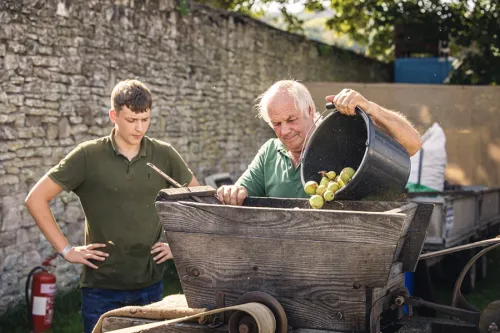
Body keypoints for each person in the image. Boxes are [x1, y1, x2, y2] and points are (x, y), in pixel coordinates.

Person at [25, 79, 200, 333]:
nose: (139, 128)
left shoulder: (164, 154)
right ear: (113, 116)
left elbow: (200, 201)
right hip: (101, 289)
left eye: (145, 119)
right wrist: (66, 250)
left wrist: (180, 247)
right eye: (131, 120)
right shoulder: (88, 155)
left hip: (150, 286)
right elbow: (36, 199)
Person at [217, 79, 422, 205]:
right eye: (276, 123)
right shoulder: (270, 152)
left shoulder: (342, 137)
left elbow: (413, 144)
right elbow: (241, 191)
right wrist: (232, 191)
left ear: (310, 110)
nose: (285, 130)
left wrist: (370, 108)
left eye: (291, 119)